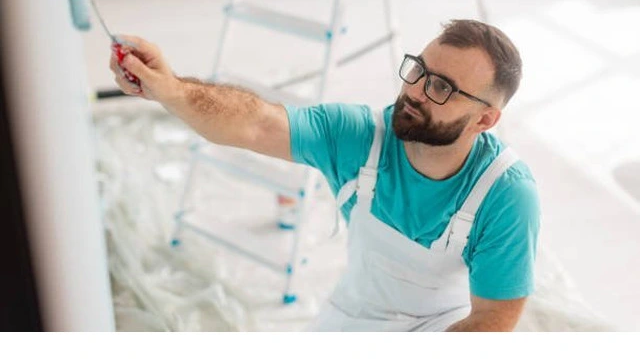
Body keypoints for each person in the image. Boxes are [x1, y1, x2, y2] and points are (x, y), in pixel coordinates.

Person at [110, 19, 540, 332]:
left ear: (484, 119)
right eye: (418, 70)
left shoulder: (504, 194)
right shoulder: (359, 137)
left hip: (441, 329)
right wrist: (171, 89)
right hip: (351, 316)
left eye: (441, 88)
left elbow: (492, 319)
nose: (414, 92)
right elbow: (256, 122)